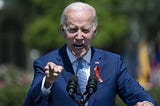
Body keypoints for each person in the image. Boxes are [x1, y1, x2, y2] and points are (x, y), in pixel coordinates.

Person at [23, 2, 156, 106]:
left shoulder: (112, 63)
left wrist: (146, 103)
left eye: (85, 30)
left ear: (94, 32)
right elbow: (30, 103)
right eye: (73, 29)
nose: (79, 36)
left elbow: (138, 95)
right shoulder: (45, 63)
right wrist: (47, 82)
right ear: (63, 31)